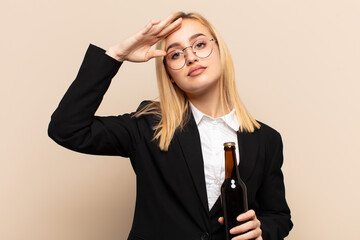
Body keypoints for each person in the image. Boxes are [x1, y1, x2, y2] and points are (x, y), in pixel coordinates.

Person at [48, 12, 293, 240]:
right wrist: (117, 54)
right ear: (169, 75)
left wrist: (262, 230)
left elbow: (278, 216)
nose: (190, 57)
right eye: (175, 54)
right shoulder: (149, 126)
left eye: (200, 45)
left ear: (220, 50)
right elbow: (67, 129)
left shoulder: (266, 139)